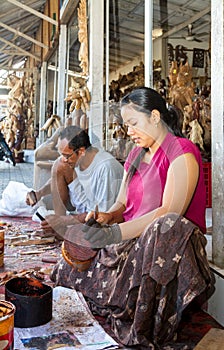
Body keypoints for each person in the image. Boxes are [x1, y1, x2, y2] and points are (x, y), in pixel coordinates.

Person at [51, 88, 214, 348]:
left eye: (133, 124)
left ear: (155, 117)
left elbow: (168, 212)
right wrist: (106, 217)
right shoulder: (136, 155)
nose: (129, 131)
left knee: (166, 225)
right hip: (131, 237)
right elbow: (121, 203)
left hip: (165, 246)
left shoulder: (181, 151)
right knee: (67, 266)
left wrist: (116, 233)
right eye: (126, 125)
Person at [26, 125, 123, 236]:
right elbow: (56, 178)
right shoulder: (76, 159)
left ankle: (60, 225)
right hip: (85, 206)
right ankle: (59, 230)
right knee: (59, 165)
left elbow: (102, 215)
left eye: (67, 156)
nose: (64, 159)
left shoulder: (106, 168)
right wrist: (39, 193)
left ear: (81, 151)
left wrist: (63, 220)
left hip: (101, 219)